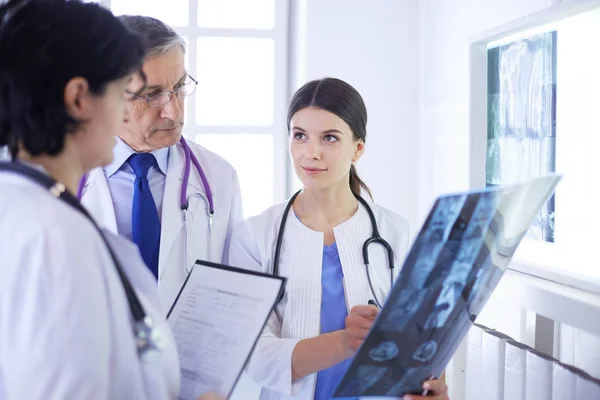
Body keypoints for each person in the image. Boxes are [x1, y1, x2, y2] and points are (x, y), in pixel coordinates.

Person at [0, 1, 222, 399]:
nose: (124, 110)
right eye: (124, 90)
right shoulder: (52, 235)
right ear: (80, 99)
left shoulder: (26, 207)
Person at [228, 78, 450, 400]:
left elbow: (427, 335)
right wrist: (347, 341)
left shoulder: (397, 234)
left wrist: (432, 387)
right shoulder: (255, 236)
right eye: (299, 135)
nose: (311, 152)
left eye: (329, 138)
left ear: (357, 148)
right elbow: (256, 356)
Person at [79, 15, 244, 313]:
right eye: (152, 95)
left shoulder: (219, 177)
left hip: (187, 358)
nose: (174, 110)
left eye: (180, 87)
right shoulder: (68, 177)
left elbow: (233, 295)